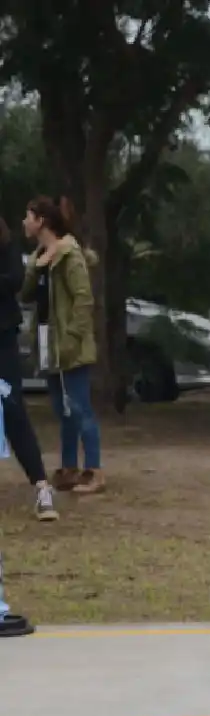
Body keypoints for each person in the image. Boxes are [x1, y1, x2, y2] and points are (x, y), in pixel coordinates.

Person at [21, 196, 104, 494]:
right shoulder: (38, 257)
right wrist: (34, 268)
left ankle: (93, 470)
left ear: (41, 220)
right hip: (47, 342)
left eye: (28, 216)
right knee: (62, 409)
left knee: (80, 408)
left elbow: (83, 300)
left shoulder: (70, 255)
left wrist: (71, 337)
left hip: (70, 345)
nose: (24, 222)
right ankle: (69, 468)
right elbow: (26, 296)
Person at [0, 214, 57, 521]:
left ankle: (42, 487)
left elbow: (15, 281)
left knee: (13, 411)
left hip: (2, 338)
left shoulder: (5, 244)